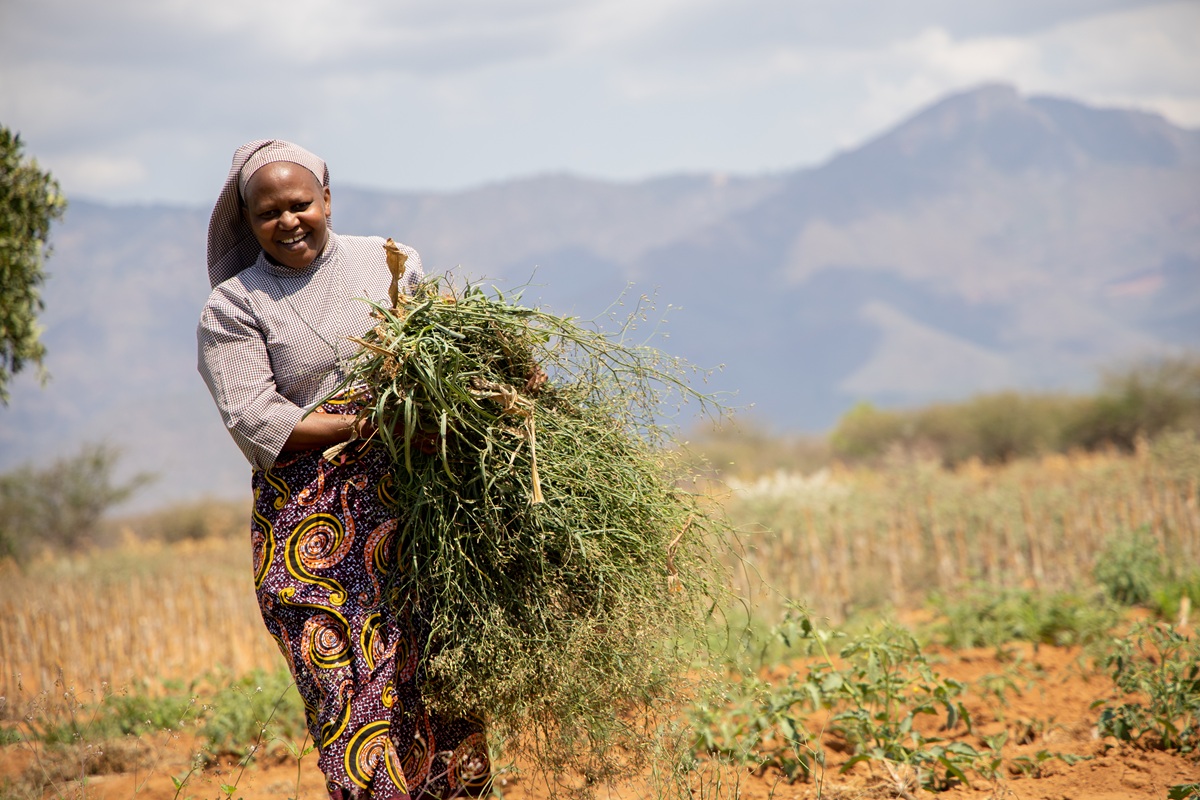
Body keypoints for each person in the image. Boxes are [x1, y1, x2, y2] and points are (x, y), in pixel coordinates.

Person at [198, 140, 490, 800]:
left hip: (413, 518)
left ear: (326, 199)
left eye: (300, 204)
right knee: (350, 703)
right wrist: (369, 425)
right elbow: (257, 421)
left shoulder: (392, 262)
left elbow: (435, 356)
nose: (289, 220)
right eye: (269, 213)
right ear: (249, 222)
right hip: (312, 538)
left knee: (440, 694)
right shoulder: (234, 308)